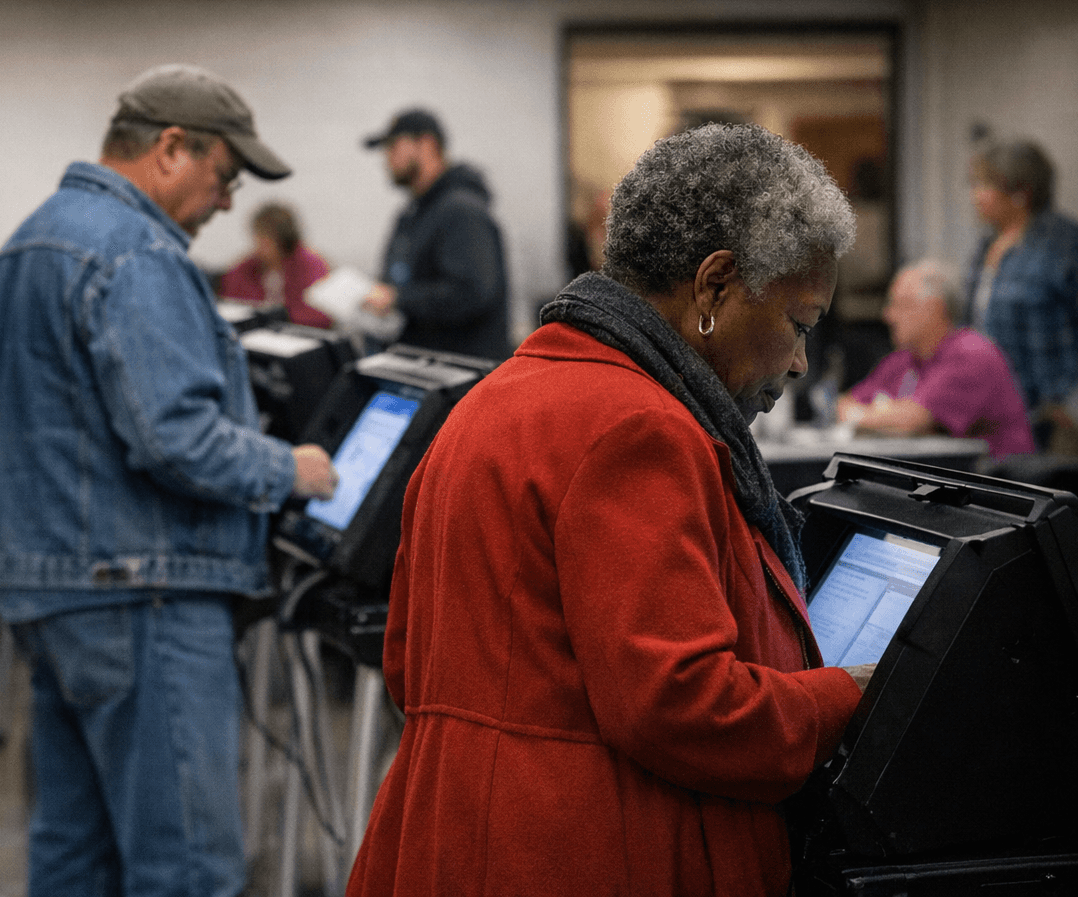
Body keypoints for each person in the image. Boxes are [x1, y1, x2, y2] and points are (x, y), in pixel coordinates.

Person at [346, 123, 867, 897]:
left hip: (449, 831)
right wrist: (851, 692)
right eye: (798, 323)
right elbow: (678, 705)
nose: (797, 361)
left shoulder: (501, 394)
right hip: (574, 851)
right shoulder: (640, 428)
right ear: (715, 286)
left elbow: (406, 656)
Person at [0, 63, 337, 897]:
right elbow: (175, 438)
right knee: (188, 869)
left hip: (47, 594)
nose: (230, 203)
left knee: (73, 855)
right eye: (225, 177)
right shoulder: (138, 254)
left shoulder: (22, 246)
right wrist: (292, 470)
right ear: (172, 149)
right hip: (144, 597)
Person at [839, 259, 1034, 458]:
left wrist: (869, 415)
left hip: (994, 478)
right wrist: (884, 416)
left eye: (901, 304)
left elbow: (913, 420)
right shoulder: (903, 359)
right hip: (942, 474)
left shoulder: (972, 353)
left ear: (935, 309)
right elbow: (844, 404)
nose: (888, 315)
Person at [360, 108, 511, 360]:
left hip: (461, 380)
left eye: (393, 146)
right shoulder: (411, 215)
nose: (387, 158)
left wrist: (397, 299)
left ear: (426, 145)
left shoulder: (462, 211)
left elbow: (470, 293)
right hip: (419, 367)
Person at [963, 138, 1078, 453]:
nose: (975, 196)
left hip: (1053, 417)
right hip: (995, 415)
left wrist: (1070, 403)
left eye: (983, 185)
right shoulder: (986, 244)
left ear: (1019, 193)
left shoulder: (1064, 244)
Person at [217, 200, 332, 327]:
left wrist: (276, 317)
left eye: (265, 240)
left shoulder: (311, 266)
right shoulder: (246, 269)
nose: (259, 246)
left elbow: (321, 314)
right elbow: (231, 305)